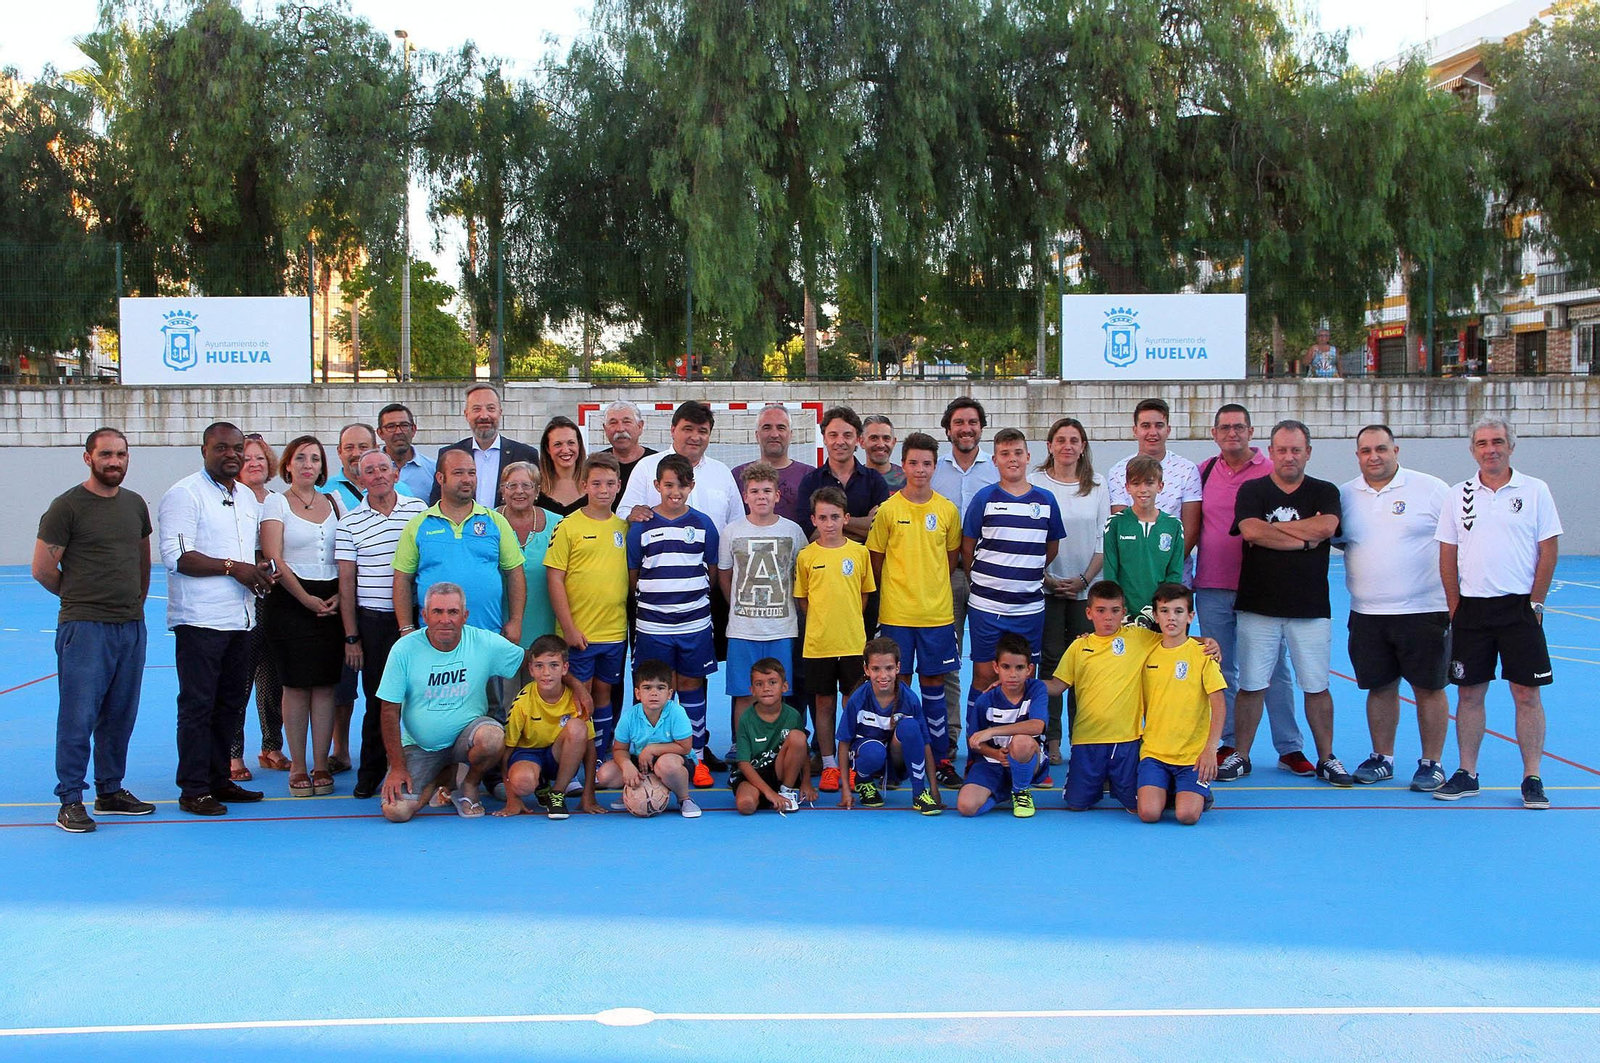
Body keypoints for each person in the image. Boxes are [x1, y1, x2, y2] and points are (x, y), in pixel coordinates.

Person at [1434, 416, 1562, 808]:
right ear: (1473, 449)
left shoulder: (1535, 491)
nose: (1491, 448)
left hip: (1519, 608)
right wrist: (1456, 607)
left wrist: (1536, 603)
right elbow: (1447, 555)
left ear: (1511, 446)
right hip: (1472, 610)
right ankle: (1467, 772)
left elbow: (1549, 549)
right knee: (1469, 694)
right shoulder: (1459, 494)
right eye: (1483, 442)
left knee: (1527, 694)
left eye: (1498, 441)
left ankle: (1532, 778)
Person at [34, 427, 156, 833]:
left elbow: (142, 561)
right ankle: (70, 798)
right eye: (106, 454)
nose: (114, 461)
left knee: (120, 714)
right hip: (84, 629)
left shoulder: (136, 505)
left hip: (130, 627)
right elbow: (43, 569)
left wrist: (134, 605)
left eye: (121, 454)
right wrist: (81, 600)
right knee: (78, 716)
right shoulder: (66, 507)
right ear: (88, 457)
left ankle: (110, 790)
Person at [1226, 420, 1353, 786]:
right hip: (1258, 605)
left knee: (1316, 685)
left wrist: (1276, 532)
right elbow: (1250, 530)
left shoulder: (1324, 491)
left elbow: (1327, 527)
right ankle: (1242, 755)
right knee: (1251, 685)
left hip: (1310, 609)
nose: (1288, 456)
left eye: (1296, 449)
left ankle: (1327, 758)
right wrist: (1304, 538)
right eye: (1281, 449)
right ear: (1271, 452)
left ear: (1308, 452)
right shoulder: (1252, 490)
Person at [158, 422, 275, 815]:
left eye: (237, 449)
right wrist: (234, 568)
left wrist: (259, 571)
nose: (232, 455)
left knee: (230, 705)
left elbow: (246, 556)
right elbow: (178, 557)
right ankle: (193, 788)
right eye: (221, 448)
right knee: (197, 705)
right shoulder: (184, 495)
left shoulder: (245, 497)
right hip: (200, 620)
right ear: (204, 450)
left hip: (240, 618)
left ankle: (219, 780)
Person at [1194, 404, 1311, 780]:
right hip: (1212, 585)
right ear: (1214, 434)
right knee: (1221, 669)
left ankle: (1289, 747)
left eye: (1239, 427)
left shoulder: (1271, 471)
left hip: (1261, 587)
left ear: (1251, 431)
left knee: (1275, 670)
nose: (1233, 434)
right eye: (1225, 428)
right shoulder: (1204, 472)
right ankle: (1228, 744)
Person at [1336, 425, 1452, 790]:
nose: (1374, 456)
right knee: (1380, 687)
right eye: (1366, 450)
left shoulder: (1431, 489)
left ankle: (1431, 762)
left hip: (1424, 610)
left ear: (1396, 450)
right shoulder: (1344, 495)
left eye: (1381, 449)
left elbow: (1457, 541)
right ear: (1357, 456)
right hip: (1367, 613)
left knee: (1428, 688)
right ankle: (1381, 757)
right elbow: (1343, 542)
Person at [961, 427, 1065, 778]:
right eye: (1005, 454)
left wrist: (1025, 570)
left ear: (1028, 456)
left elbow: (1050, 549)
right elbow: (968, 547)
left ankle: (1030, 753)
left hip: (1028, 608)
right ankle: (979, 749)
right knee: (984, 674)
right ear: (995, 460)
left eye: (1018, 452)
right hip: (987, 606)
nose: (1012, 459)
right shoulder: (984, 499)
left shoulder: (1046, 500)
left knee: (1025, 678)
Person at [375, 583, 525, 821]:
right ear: (424, 615)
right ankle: (444, 776)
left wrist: (576, 687)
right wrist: (397, 767)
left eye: (453, 612)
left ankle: (469, 784)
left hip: (467, 739)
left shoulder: (483, 642)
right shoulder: (404, 649)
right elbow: (389, 711)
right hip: (421, 746)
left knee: (493, 737)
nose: (445, 619)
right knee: (396, 812)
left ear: (465, 616)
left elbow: (530, 660)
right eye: (437, 612)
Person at [866, 432, 961, 785]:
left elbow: (950, 560)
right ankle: (897, 761)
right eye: (913, 462)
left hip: (936, 615)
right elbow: (876, 560)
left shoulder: (947, 509)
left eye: (927, 463)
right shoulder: (889, 509)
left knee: (934, 683)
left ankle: (940, 759)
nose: (920, 469)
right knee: (895, 686)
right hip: (896, 615)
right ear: (902, 465)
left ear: (935, 467)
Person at [336, 449, 427, 799]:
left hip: (416, 620)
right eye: (368, 471)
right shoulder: (349, 524)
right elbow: (347, 585)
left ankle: (424, 768)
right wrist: (352, 636)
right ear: (360, 480)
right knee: (379, 699)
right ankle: (371, 771)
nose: (377, 475)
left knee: (421, 697)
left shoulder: (417, 511)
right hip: (373, 623)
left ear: (395, 473)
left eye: (383, 468)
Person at [260, 435, 348, 798]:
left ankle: (321, 763)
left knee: (326, 686)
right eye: (300, 458)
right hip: (290, 601)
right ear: (288, 464)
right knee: (296, 686)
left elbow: (348, 551)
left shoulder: (336, 501)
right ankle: (297, 766)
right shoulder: (275, 503)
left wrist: (341, 595)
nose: (308, 464)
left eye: (314, 459)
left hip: (333, 600)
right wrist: (306, 599)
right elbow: (275, 558)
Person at [627, 454, 721, 786]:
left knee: (692, 685)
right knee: (654, 690)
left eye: (682, 484)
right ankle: (649, 753)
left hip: (694, 625)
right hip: (653, 626)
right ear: (657, 486)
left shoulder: (704, 524)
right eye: (668, 484)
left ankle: (695, 756)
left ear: (691, 486)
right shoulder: (641, 526)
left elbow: (709, 572)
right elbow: (634, 575)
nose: (675, 491)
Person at [392, 448, 526, 661]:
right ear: (440, 478)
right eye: (458, 473)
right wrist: (406, 628)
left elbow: (515, 573)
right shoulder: (418, 525)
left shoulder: (495, 521)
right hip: (433, 641)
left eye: (472, 473)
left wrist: (516, 620)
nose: (467, 480)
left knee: (488, 695)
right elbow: (402, 579)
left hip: (487, 637)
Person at [1042, 581, 1163, 812]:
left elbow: (1173, 643)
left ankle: (1131, 782)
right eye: (1101, 610)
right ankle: (1099, 780)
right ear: (1088, 613)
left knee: (1136, 806)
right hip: (1087, 740)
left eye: (1115, 611)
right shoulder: (1079, 647)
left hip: (1126, 740)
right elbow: (1057, 686)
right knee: (1076, 805)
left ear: (1124, 613)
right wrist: (1025, 683)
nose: (1108, 617)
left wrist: (1206, 643)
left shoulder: (1138, 637)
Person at [1029, 417, 1108, 764]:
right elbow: (1031, 537)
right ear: (1050, 446)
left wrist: (1085, 580)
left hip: (1083, 589)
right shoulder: (1035, 482)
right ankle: (1052, 737)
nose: (1067, 446)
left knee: (1085, 665)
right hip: (1045, 588)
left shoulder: (1098, 484)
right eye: (1060, 440)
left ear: (1083, 446)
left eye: (1074, 440)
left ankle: (1084, 737)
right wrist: (1047, 577)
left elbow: (1102, 540)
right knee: (1051, 663)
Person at [718, 462, 808, 767]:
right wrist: (738, 607)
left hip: (782, 627)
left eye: (767, 490)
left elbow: (802, 573)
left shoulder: (792, 531)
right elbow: (725, 575)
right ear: (745, 496)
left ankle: (781, 744)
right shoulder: (732, 531)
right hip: (743, 628)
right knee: (744, 692)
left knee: (780, 690)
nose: (761, 496)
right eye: (754, 491)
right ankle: (739, 744)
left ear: (777, 494)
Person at [545, 454, 631, 760]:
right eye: (596, 483)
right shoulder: (569, 526)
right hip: (580, 632)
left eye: (610, 483)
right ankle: (573, 756)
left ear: (619, 486)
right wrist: (568, 627)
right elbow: (554, 578)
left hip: (614, 632)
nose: (603, 490)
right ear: (584, 486)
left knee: (604, 693)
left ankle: (602, 752)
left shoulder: (624, 526)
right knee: (577, 694)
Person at [794, 487, 876, 792]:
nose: (829, 523)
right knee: (823, 704)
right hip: (818, 645)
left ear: (846, 518)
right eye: (823, 517)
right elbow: (804, 601)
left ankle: (850, 762)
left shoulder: (859, 553)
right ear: (814, 519)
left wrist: (847, 620)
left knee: (852, 705)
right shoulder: (806, 556)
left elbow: (865, 595)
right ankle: (829, 764)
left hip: (853, 643)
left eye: (835, 517)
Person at [930, 396, 999, 738]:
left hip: (992, 576)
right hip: (949, 575)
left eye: (972, 422)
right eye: (959, 423)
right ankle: (952, 735)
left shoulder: (997, 468)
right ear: (948, 429)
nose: (966, 428)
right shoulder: (935, 470)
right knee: (950, 660)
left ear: (981, 428)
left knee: (995, 661)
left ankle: (995, 733)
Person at [1136, 583, 1227, 825]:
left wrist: (1210, 749)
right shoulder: (1146, 650)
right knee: (1148, 814)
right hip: (1155, 752)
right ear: (1155, 616)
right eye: (1164, 611)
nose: (1171, 618)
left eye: (1178, 611)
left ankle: (1194, 792)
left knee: (1186, 816)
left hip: (1192, 755)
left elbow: (1219, 704)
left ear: (1190, 616)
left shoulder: (1202, 654)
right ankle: (1172, 788)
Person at [496, 635, 600, 819]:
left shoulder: (575, 700)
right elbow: (506, 752)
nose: (546, 673)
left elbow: (590, 749)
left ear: (564, 668)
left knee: (578, 728)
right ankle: (540, 785)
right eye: (539, 666)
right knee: (522, 782)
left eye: (554, 665)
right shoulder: (522, 702)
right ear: (531, 669)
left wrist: (589, 794)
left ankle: (557, 793)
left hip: (558, 756)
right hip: (528, 754)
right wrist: (511, 797)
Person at [837, 638, 940, 815]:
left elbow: (924, 743)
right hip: (868, 754)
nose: (883, 675)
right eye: (876, 669)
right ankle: (863, 781)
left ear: (898, 668)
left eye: (889, 668)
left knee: (910, 727)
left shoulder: (909, 699)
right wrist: (846, 789)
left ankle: (919, 793)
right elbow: (844, 742)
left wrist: (934, 788)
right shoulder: (857, 699)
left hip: (896, 760)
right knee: (874, 751)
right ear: (866, 669)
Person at [235, 434, 287, 778]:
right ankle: (232, 753)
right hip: (243, 599)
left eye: (260, 457)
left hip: (277, 600)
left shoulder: (278, 501)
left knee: (274, 680)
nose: (254, 463)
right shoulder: (231, 500)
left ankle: (271, 746)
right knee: (239, 680)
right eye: (247, 458)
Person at [1106, 398, 1202, 584]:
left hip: (1174, 580)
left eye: (1159, 425)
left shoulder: (1187, 470)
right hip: (1132, 580)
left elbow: (1190, 530)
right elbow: (1121, 526)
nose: (1152, 432)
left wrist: (1164, 568)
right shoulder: (1118, 472)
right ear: (1135, 430)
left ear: (1168, 429)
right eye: (1145, 426)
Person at [956, 632, 1048, 818]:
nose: (1013, 674)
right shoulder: (985, 701)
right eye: (1006, 667)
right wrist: (995, 753)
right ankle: (1004, 792)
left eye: (1019, 668)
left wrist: (993, 732)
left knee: (1021, 742)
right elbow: (974, 741)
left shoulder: (1036, 689)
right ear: (996, 667)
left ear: (1029, 669)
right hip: (993, 762)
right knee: (966, 807)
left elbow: (1037, 726)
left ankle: (1021, 790)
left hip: (1026, 758)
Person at [595, 658, 701, 818]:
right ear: (638, 693)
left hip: (677, 761)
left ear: (669, 693)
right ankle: (633, 791)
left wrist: (652, 749)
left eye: (660, 688)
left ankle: (684, 799)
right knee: (605, 775)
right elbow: (619, 749)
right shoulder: (630, 717)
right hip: (643, 762)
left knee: (665, 765)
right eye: (647, 687)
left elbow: (685, 747)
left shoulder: (676, 713)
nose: (654, 693)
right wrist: (626, 766)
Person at [618, 400, 742, 535]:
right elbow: (623, 513)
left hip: (712, 555)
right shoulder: (647, 467)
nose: (695, 437)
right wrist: (631, 515)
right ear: (673, 430)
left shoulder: (721, 472)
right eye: (688, 429)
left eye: (702, 431)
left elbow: (737, 522)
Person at [497, 461, 564, 695]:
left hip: (545, 626)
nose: (519, 491)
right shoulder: (487, 522)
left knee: (540, 700)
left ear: (537, 491)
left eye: (527, 485)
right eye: (512, 485)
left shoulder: (559, 524)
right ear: (502, 490)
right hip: (500, 628)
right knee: (503, 703)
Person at [1100, 455, 1182, 619]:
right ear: (1128, 487)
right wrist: (1120, 610)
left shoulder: (1173, 526)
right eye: (1136, 483)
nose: (1142, 489)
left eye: (1149, 483)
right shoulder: (1115, 523)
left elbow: (1174, 574)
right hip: (1125, 615)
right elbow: (1111, 573)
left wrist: (1159, 610)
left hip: (1159, 615)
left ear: (1160, 486)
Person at [432, 383, 539, 508]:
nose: (484, 416)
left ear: (500, 412)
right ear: (466, 414)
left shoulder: (525, 454)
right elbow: (437, 502)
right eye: (476, 409)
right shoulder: (449, 455)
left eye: (491, 408)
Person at [732, 658, 815, 814]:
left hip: (780, 770)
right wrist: (768, 793)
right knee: (746, 806)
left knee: (798, 737)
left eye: (772, 682)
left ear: (784, 687)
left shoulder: (792, 715)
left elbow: (803, 751)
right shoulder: (746, 719)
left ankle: (786, 791)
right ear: (752, 690)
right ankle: (768, 796)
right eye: (759, 684)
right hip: (754, 773)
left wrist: (806, 782)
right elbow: (743, 763)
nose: (766, 688)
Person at [797, 406, 890, 543]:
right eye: (833, 435)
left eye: (847, 435)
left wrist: (829, 523)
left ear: (858, 439)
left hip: (864, 562)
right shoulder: (810, 482)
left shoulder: (875, 480)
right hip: (824, 563)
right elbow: (810, 534)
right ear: (824, 439)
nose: (840, 442)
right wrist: (860, 528)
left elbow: (879, 528)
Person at [732, 403, 811, 525]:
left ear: (791, 435)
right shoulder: (738, 475)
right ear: (757, 435)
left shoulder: (810, 475)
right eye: (767, 427)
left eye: (781, 427)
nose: (774, 434)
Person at [595, 399, 656, 506]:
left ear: (640, 426)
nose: (620, 429)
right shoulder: (596, 464)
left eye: (627, 422)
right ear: (605, 429)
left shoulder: (657, 463)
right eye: (613, 423)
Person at [376, 402, 436, 501]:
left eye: (404, 425)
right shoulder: (370, 472)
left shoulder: (433, 469)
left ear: (413, 429)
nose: (398, 431)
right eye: (391, 427)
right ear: (380, 433)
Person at [535, 415, 588, 517]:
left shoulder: (594, 483)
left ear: (579, 445)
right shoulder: (536, 486)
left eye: (571, 443)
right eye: (558, 444)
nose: (565, 450)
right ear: (547, 448)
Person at [327, 423, 379, 507]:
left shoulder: (398, 489)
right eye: (349, 447)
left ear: (376, 450)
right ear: (339, 452)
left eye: (363, 447)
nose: (356, 454)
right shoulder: (323, 491)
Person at [862, 415, 905, 491]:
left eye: (886, 438)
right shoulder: (852, 479)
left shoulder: (907, 480)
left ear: (893, 442)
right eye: (874, 438)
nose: (881, 445)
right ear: (862, 442)